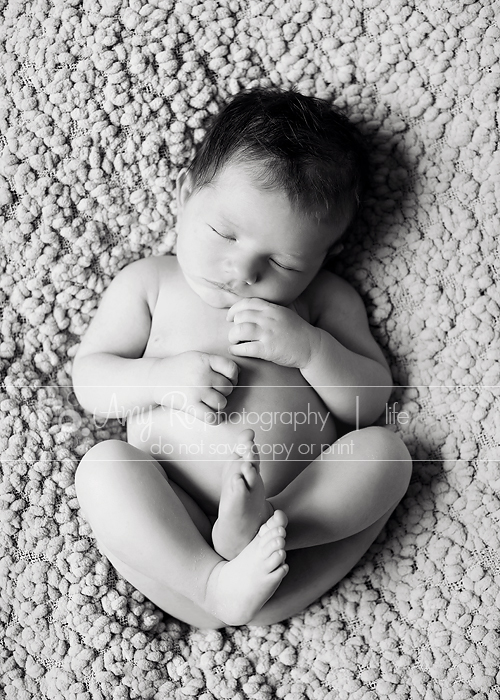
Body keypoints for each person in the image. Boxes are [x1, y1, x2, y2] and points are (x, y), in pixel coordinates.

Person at [72, 87, 412, 628]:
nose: (244, 271)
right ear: (185, 195)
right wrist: (160, 379)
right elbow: (89, 383)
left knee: (389, 454)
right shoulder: (150, 284)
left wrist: (311, 348)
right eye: (223, 232)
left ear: (326, 256)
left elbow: (367, 405)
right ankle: (209, 582)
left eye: (283, 261)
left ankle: (263, 532)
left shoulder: (324, 300)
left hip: (300, 510)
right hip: (174, 509)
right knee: (102, 469)